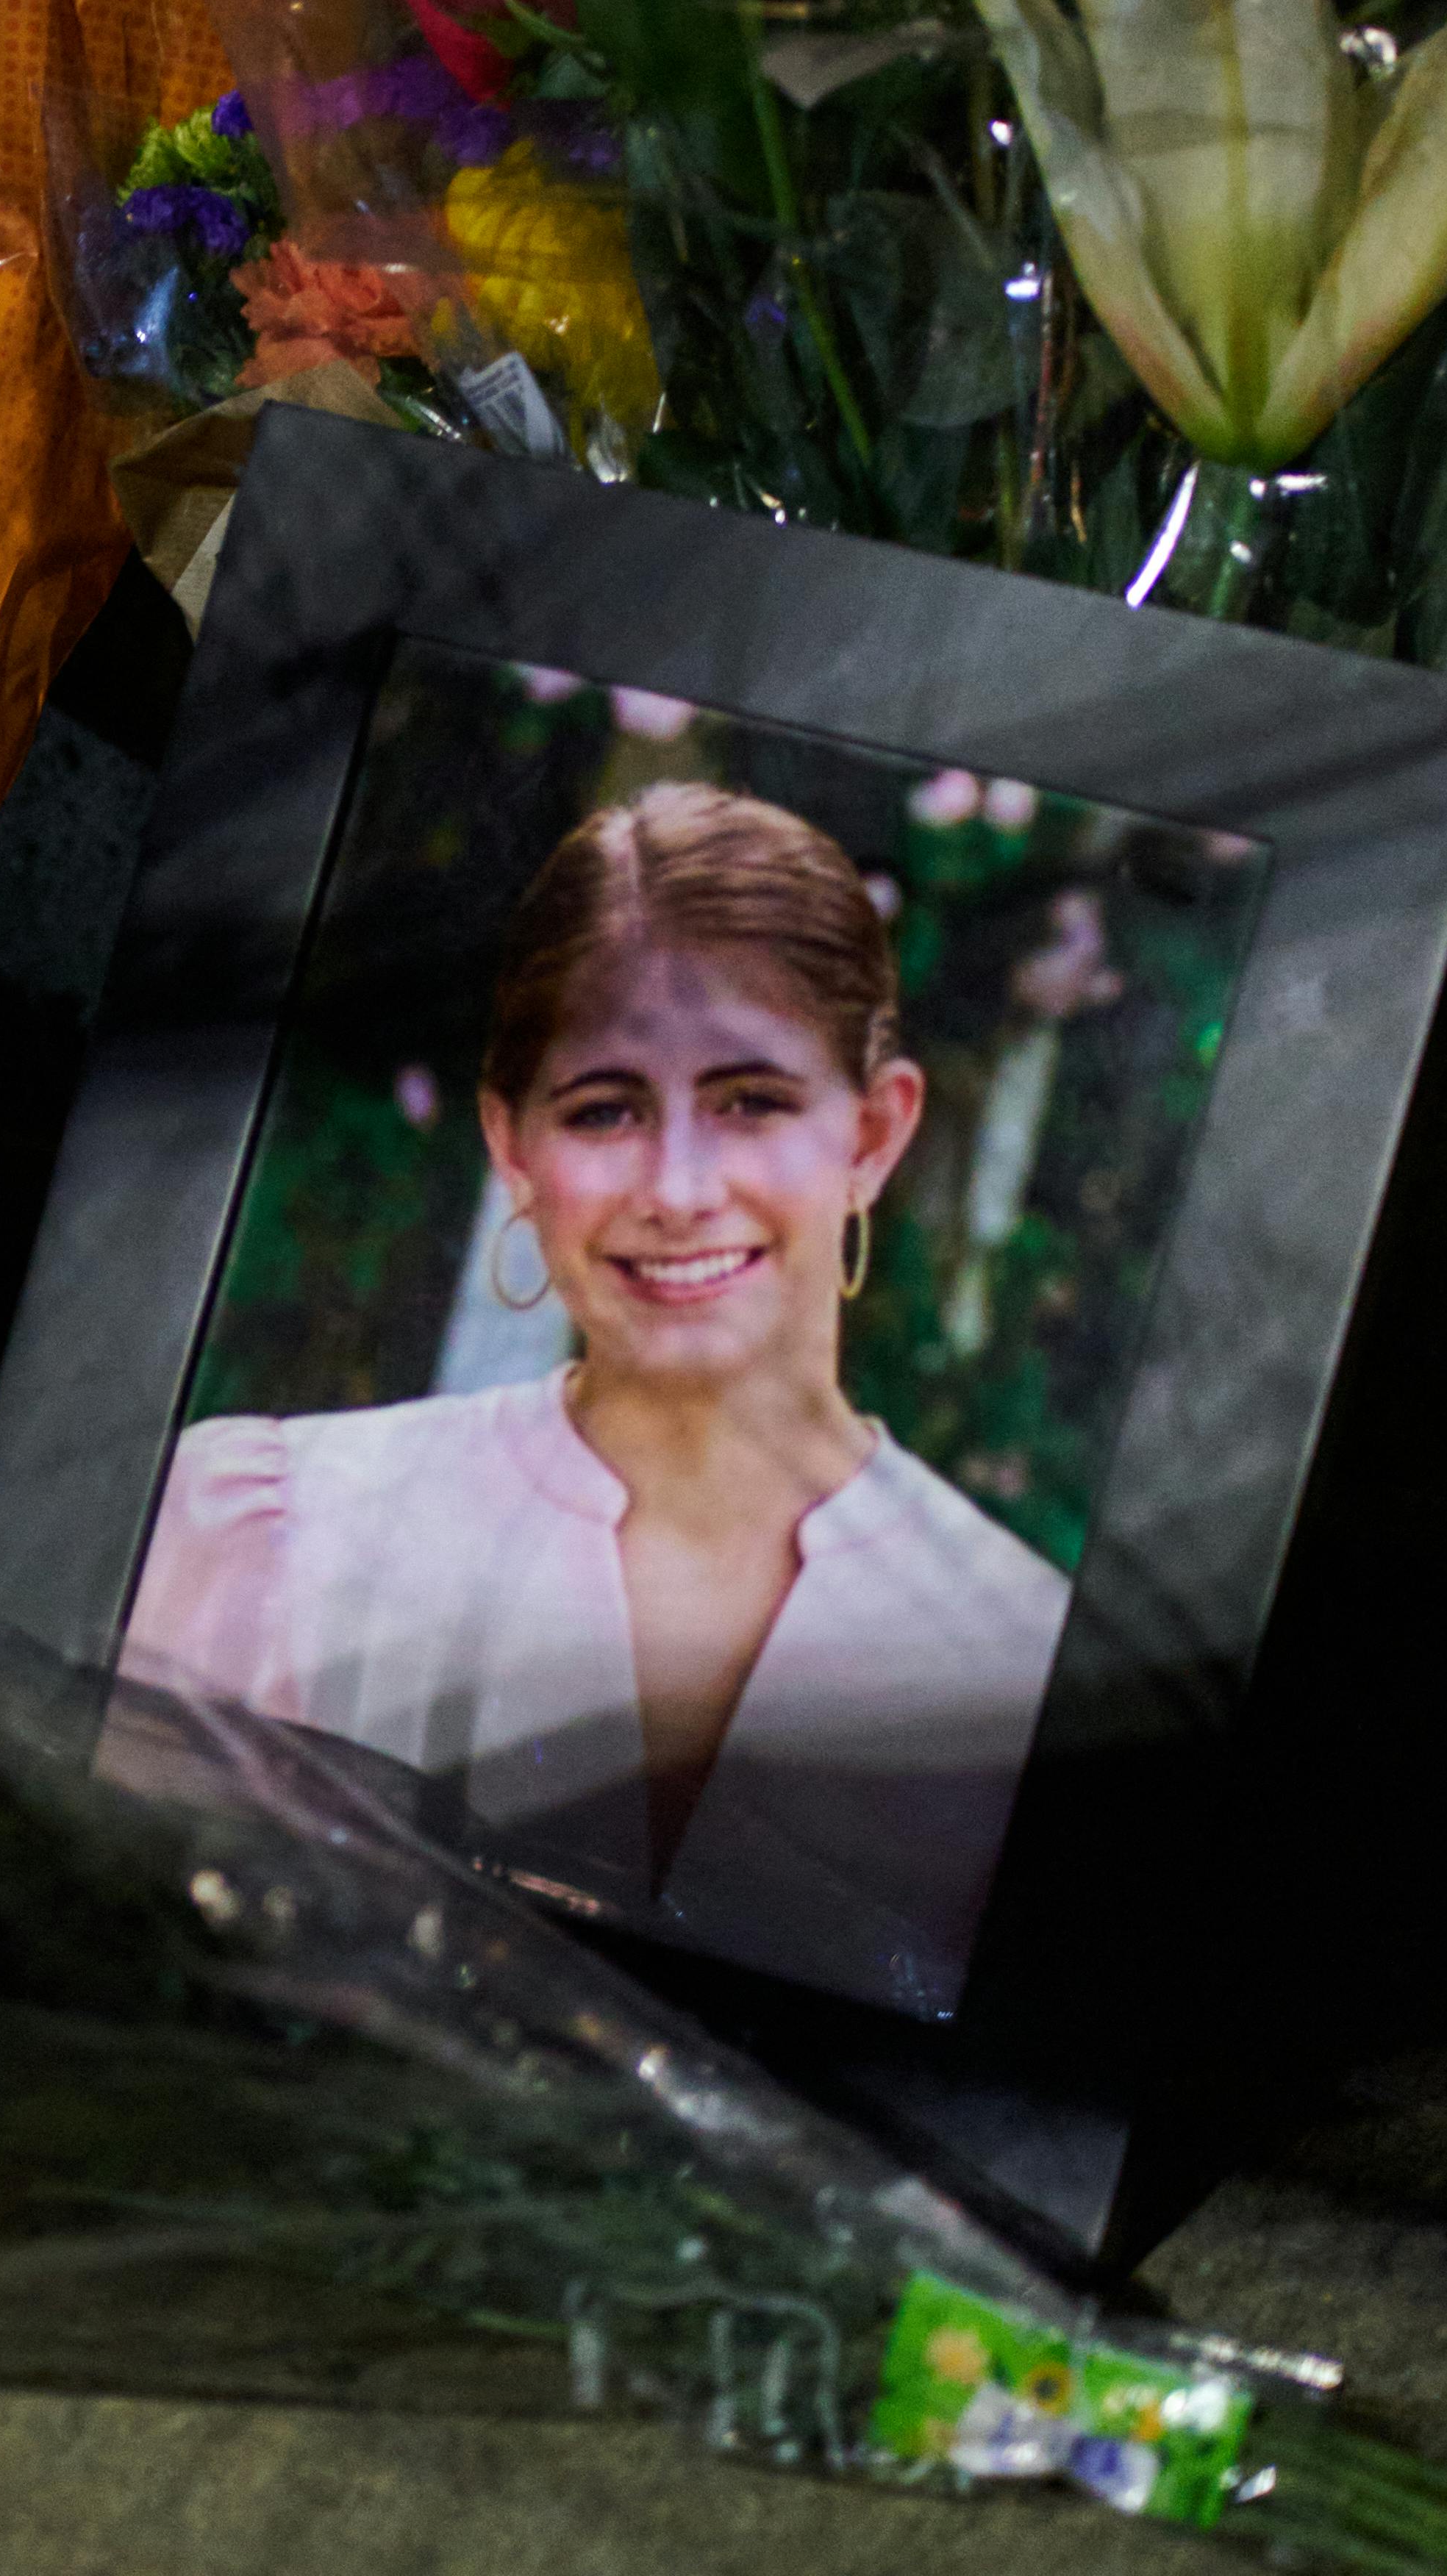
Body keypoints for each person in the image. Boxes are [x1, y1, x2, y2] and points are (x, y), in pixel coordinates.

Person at [120, 781, 1075, 2020]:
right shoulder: (266, 1531)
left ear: (874, 1137)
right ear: (512, 1147)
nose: (678, 1188)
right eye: (606, 1110)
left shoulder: (1024, 1660)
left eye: (751, 1102)